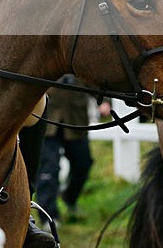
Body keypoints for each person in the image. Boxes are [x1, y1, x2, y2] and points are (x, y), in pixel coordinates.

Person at [35, 77, 100, 226]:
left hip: (76, 121)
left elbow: (96, 81)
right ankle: (49, 217)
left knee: (83, 164)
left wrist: (107, 100)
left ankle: (69, 197)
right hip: (48, 122)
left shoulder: (82, 58)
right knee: (48, 169)